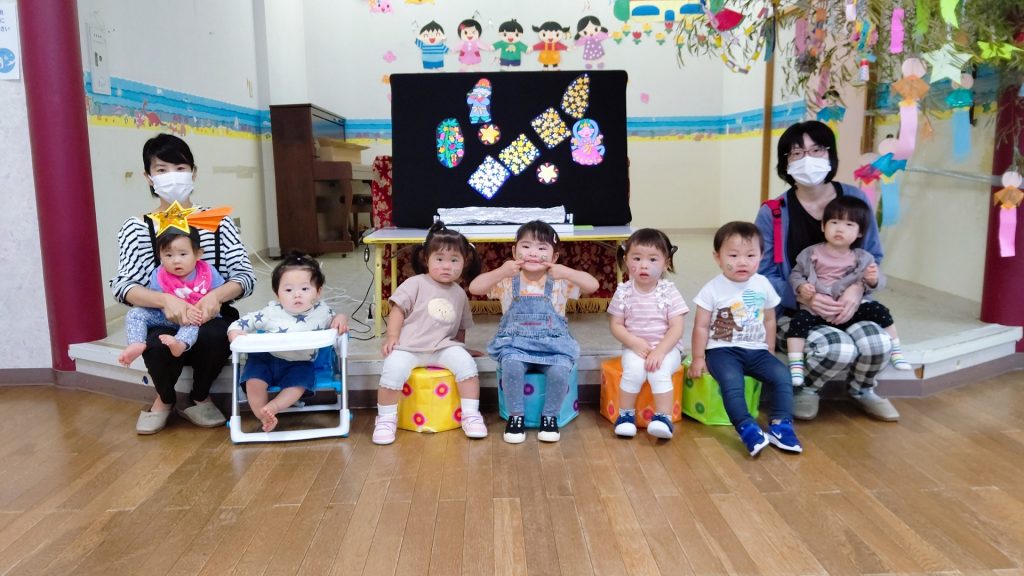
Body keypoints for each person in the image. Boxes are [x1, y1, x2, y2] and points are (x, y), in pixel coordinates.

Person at [756, 120, 901, 422]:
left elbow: (872, 255)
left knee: (878, 342)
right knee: (839, 348)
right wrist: (803, 296)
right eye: (797, 153)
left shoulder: (855, 199)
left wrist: (857, 289)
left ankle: (862, 389)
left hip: (849, 304)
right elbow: (764, 274)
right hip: (797, 313)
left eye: (816, 150)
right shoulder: (773, 212)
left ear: (830, 155)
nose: (807, 159)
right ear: (785, 162)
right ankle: (807, 389)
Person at [111, 133, 256, 435]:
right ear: (148, 177)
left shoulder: (217, 222)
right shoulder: (138, 227)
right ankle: (164, 399)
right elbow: (124, 286)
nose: (172, 176)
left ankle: (200, 396)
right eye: (161, 170)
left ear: (193, 173)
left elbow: (245, 276)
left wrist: (216, 296)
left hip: (209, 313)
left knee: (216, 335)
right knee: (155, 344)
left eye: (180, 168)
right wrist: (165, 300)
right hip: (162, 315)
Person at [469, 221, 599, 444]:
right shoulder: (507, 280)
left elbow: (593, 285)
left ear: (554, 257)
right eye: (526, 246)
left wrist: (567, 271)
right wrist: (501, 271)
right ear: (514, 252)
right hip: (515, 345)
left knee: (560, 371)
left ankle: (550, 417)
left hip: (554, 347)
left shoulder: (560, 281)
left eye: (542, 248)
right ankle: (516, 417)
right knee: (511, 366)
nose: (533, 253)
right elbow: (475, 288)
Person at [689, 222, 802, 457]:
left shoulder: (762, 284)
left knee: (782, 376)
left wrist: (769, 349)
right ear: (718, 258)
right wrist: (699, 358)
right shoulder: (712, 289)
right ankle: (746, 427)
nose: (743, 262)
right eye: (733, 255)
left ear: (761, 256)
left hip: (757, 350)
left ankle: (781, 425)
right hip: (722, 351)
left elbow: (769, 320)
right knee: (732, 382)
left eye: (750, 255)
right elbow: (701, 326)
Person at [373, 222, 484, 445]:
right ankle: (385, 419)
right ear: (426, 259)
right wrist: (392, 336)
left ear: (465, 261)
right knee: (392, 372)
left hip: (442, 347)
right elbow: (398, 310)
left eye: (454, 260)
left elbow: (460, 327)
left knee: (467, 368)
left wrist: (462, 348)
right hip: (409, 347)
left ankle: (471, 414)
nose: (447, 266)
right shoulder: (415, 283)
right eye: (439, 259)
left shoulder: (459, 293)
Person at [786, 196, 913, 385]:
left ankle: (895, 350)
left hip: (851, 310)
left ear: (860, 232)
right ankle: (796, 365)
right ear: (823, 226)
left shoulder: (862, 257)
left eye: (849, 224)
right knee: (798, 322)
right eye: (834, 222)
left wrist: (872, 280)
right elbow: (795, 274)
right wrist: (802, 286)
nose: (840, 229)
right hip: (817, 310)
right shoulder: (811, 253)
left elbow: (879, 281)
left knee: (879, 310)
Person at [227, 253, 348, 432]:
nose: (297, 295)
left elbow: (335, 321)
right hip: (266, 358)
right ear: (277, 294)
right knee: (253, 381)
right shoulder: (270, 312)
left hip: (299, 362)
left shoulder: (322, 313)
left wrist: (341, 318)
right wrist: (234, 331)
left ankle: (273, 407)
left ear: (318, 291)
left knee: (300, 383)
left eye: (305, 289)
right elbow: (245, 321)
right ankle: (263, 417)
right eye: (288, 290)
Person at [607, 228, 688, 439]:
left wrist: (660, 351)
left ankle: (663, 418)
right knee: (634, 371)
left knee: (658, 372)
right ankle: (625, 416)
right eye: (637, 258)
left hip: (667, 348)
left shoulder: (669, 291)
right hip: (635, 348)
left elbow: (677, 327)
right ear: (626, 260)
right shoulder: (623, 291)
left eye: (653, 259)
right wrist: (632, 342)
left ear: (666, 263)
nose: (644, 265)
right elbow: (616, 324)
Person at [118, 227, 225, 367]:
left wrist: (204, 313)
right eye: (168, 255)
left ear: (198, 254)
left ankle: (180, 343)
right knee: (135, 314)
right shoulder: (159, 274)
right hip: (165, 316)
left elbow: (217, 298)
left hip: (195, 317)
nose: (176, 260)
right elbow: (158, 300)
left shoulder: (207, 272)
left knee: (192, 325)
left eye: (183, 254)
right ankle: (136, 342)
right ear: (160, 256)